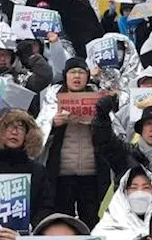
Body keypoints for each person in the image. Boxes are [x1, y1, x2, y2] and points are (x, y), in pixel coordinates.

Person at [42, 58, 109, 227]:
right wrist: (53, 124)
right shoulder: (52, 101)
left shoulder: (99, 100)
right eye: (73, 72)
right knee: (63, 222)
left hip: (92, 174)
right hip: (62, 173)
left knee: (93, 221)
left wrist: (98, 123)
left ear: (87, 76)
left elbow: (113, 133)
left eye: (81, 72)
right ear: (65, 76)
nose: (77, 76)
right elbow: (38, 133)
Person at [0, 109, 55, 228]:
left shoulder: (37, 170)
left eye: (21, 128)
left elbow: (45, 206)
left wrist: (32, 228)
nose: (15, 132)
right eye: (9, 127)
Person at [94, 101, 152, 188]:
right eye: (148, 124)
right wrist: (102, 118)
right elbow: (105, 142)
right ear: (141, 130)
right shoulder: (125, 155)